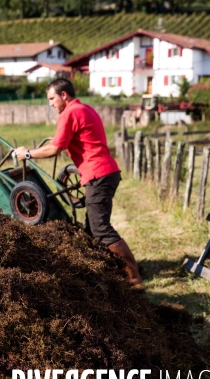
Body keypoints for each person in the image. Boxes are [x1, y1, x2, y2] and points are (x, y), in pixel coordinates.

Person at [14, 78, 144, 291]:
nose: (50, 104)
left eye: (52, 98)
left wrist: (27, 153)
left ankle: (133, 279)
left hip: (99, 175)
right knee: (91, 230)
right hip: (104, 172)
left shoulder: (70, 113)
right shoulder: (85, 108)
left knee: (100, 229)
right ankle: (105, 274)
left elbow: (55, 148)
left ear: (63, 95)